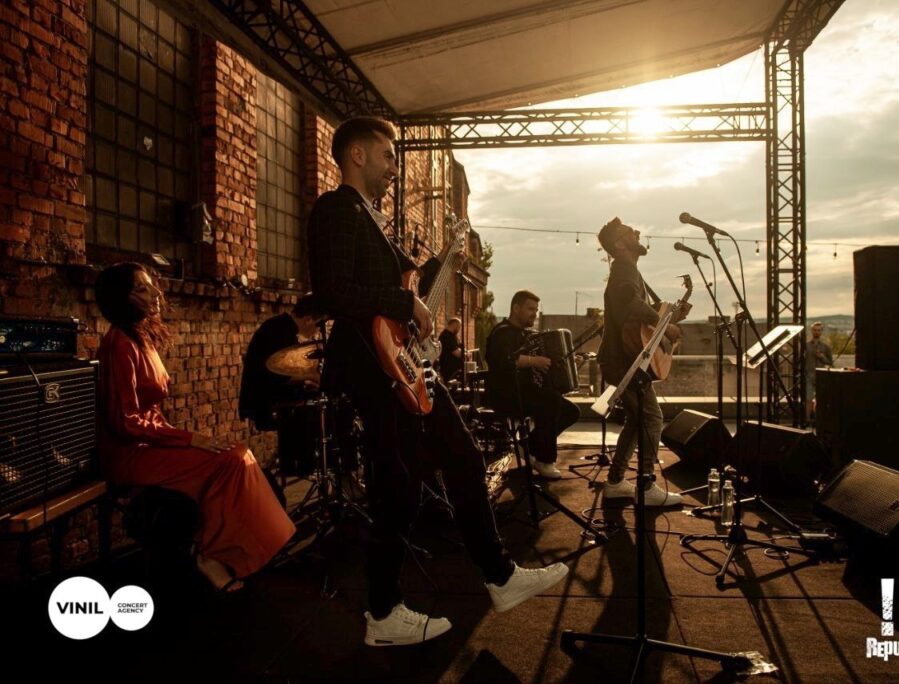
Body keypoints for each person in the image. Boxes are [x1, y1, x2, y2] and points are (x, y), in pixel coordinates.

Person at [307, 116, 568, 647]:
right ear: (357, 154)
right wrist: (405, 303)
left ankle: (499, 576)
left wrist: (436, 268)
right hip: (373, 368)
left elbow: (401, 290)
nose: (394, 168)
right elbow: (334, 291)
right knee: (396, 485)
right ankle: (384, 613)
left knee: (462, 457)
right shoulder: (337, 209)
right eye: (387, 156)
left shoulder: (372, 217)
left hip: (402, 365)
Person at [95, 262, 295, 593]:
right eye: (143, 289)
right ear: (121, 299)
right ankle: (211, 556)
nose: (156, 293)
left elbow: (151, 415)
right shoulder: (118, 343)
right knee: (231, 459)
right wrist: (190, 439)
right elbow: (125, 421)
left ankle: (248, 547)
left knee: (237, 454)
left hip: (151, 444)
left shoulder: (141, 337)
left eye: (152, 285)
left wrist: (185, 441)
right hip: (129, 453)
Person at [596, 217, 690, 506]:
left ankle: (615, 482)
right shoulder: (624, 269)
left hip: (621, 358)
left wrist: (669, 318)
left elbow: (635, 313)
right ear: (619, 245)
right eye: (630, 232)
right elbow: (630, 304)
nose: (637, 232)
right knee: (651, 417)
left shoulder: (628, 270)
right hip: (624, 360)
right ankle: (646, 485)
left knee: (637, 420)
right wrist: (663, 322)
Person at [484, 290, 581, 479]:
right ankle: (545, 460)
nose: (534, 314)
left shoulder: (528, 335)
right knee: (551, 401)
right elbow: (503, 360)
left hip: (525, 391)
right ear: (516, 308)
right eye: (530, 309)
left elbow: (545, 361)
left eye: (536, 310)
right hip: (504, 394)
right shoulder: (501, 333)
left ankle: (529, 445)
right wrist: (533, 361)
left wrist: (567, 362)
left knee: (571, 411)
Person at [239, 294, 325, 431]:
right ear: (308, 320)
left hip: (271, 397)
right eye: (318, 325)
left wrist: (305, 382)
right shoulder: (279, 331)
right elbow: (275, 376)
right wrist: (311, 376)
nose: (318, 331)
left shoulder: (282, 326)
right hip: (265, 402)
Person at [805, 321, 833, 420]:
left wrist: (822, 357)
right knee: (808, 398)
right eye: (815, 330)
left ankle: (818, 420)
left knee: (819, 399)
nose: (816, 332)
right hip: (809, 375)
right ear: (811, 331)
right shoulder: (806, 346)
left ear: (821, 332)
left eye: (818, 330)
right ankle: (807, 420)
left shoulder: (826, 347)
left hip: (821, 376)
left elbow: (830, 363)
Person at [437, 317, 464, 383]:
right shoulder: (446, 336)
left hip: (456, 371)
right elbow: (456, 353)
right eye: (459, 327)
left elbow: (459, 348)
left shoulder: (453, 336)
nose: (459, 329)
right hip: (450, 371)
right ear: (455, 325)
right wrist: (466, 355)